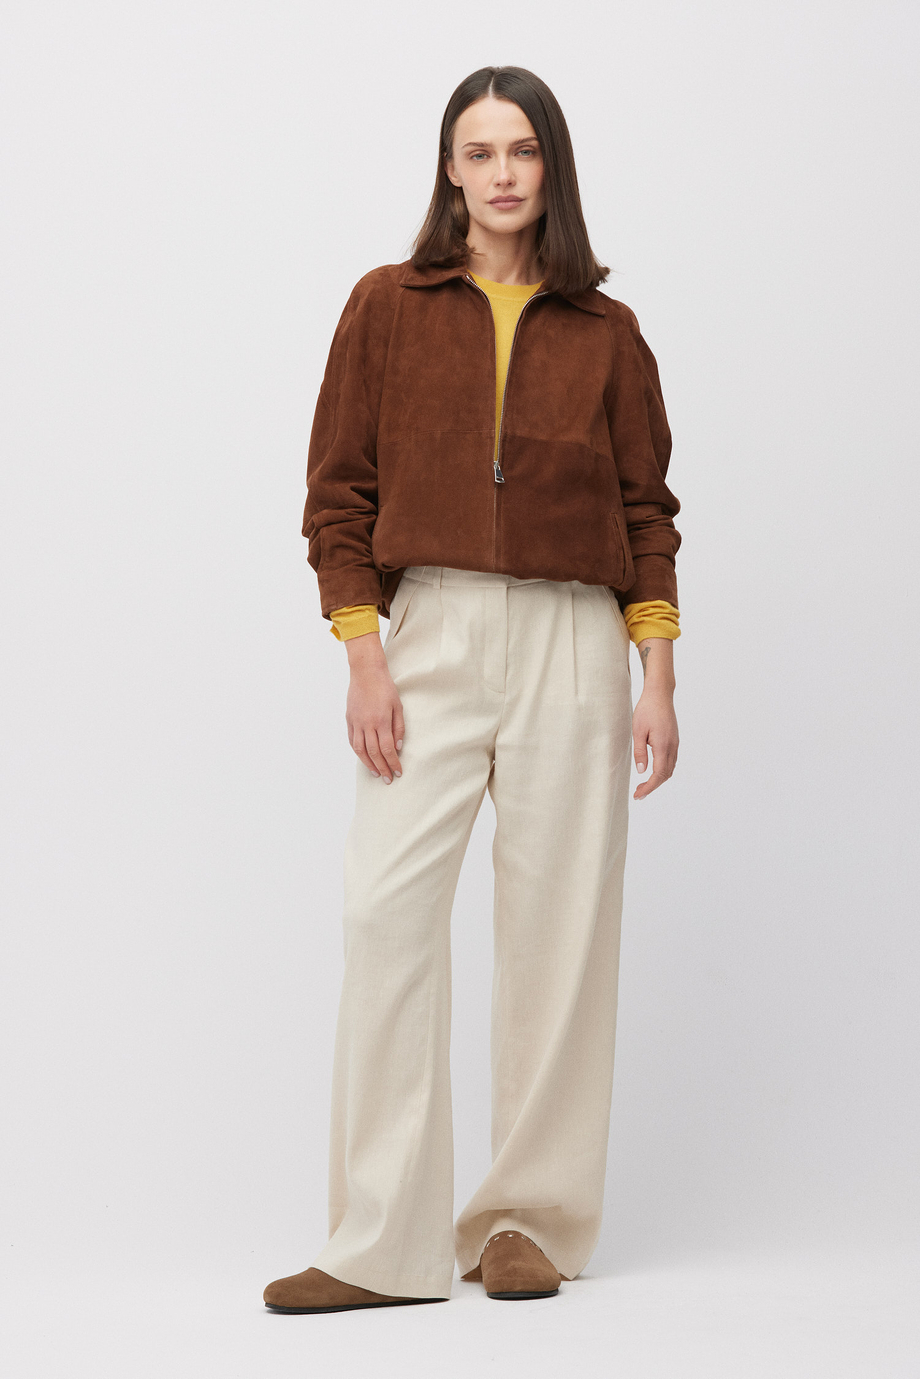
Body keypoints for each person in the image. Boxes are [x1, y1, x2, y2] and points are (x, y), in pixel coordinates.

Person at [263, 64, 681, 1314]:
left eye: (522, 150)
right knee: (383, 916)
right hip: (429, 631)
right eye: (479, 150)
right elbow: (337, 493)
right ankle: (379, 1243)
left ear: (551, 167)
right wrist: (364, 654)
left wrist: (656, 676)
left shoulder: (605, 333)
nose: (502, 173)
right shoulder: (386, 307)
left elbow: (645, 511)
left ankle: (524, 1223)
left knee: (558, 934)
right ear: (448, 169)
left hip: (572, 640)